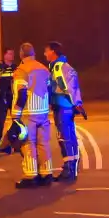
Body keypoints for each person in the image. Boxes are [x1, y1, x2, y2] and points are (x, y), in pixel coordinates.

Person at [11, 42, 53, 188]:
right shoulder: (44, 68)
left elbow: (21, 94)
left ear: (21, 54)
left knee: (28, 144)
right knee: (43, 143)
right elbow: (50, 89)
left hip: (28, 113)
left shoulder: (21, 70)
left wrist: (15, 115)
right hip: (43, 111)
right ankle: (46, 174)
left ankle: (30, 176)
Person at [44, 41, 82, 182]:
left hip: (62, 106)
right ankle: (73, 166)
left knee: (63, 138)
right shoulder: (63, 66)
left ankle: (69, 170)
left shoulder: (58, 68)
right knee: (70, 136)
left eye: (46, 51)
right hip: (67, 107)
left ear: (53, 52)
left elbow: (67, 87)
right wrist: (77, 104)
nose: (45, 54)